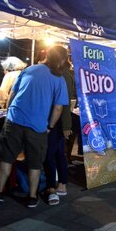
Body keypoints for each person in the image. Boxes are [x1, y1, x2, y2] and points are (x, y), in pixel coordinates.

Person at [0, 46, 69, 208]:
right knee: (35, 163)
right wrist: (50, 126)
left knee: (6, 158)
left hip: (15, 120)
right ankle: (32, 197)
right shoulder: (59, 78)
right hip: (38, 126)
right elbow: (58, 108)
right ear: (63, 59)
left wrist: (9, 113)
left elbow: (13, 93)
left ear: (47, 54)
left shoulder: (29, 69)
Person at [43, 59, 75, 205]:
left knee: (50, 154)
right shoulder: (65, 74)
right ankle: (61, 183)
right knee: (58, 153)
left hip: (56, 120)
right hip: (58, 120)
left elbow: (64, 103)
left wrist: (66, 125)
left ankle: (52, 186)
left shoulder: (62, 75)